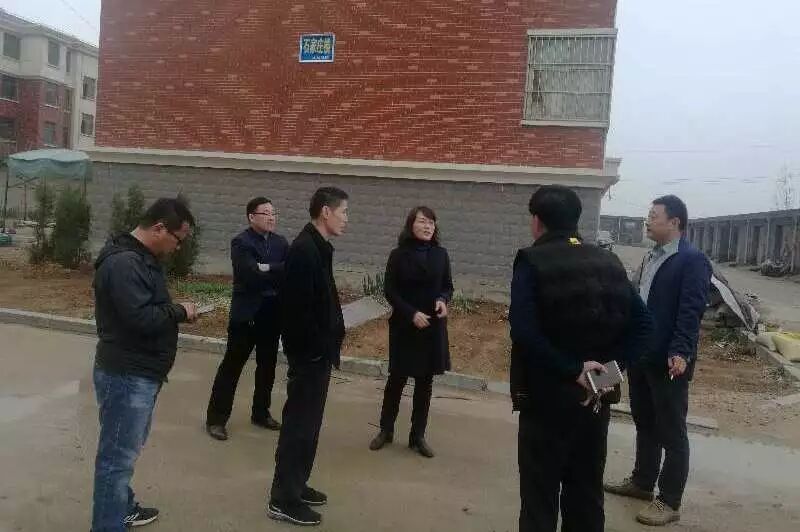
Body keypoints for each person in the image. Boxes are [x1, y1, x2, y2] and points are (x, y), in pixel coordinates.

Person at [510, 185, 654, 532]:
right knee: (586, 495)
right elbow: (644, 326)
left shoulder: (532, 261)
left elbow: (524, 331)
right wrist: (604, 376)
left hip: (546, 401)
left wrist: (573, 370)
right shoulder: (609, 261)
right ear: (576, 219)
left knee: (539, 498)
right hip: (595, 401)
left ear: (537, 221)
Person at [91, 198, 198, 532]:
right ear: (159, 229)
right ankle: (107, 525)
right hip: (127, 375)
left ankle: (121, 507)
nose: (178, 247)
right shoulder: (125, 263)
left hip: (138, 373)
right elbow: (139, 318)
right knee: (116, 460)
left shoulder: (140, 258)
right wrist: (179, 312)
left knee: (122, 451)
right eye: (178, 239)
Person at [604, 195, 711, 526]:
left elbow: (691, 310)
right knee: (645, 422)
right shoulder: (652, 256)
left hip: (669, 360)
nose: (647, 221)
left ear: (674, 222)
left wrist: (680, 351)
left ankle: (669, 500)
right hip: (642, 355)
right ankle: (642, 482)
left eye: (654, 216)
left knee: (671, 431)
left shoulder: (692, 260)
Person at [267, 187, 348, 527]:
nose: (346, 219)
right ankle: (283, 499)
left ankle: (297, 485)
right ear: (325, 212)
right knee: (298, 428)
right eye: (343, 212)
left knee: (309, 427)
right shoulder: (304, 250)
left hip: (318, 355)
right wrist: (315, 350)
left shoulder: (318, 247)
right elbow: (296, 313)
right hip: (309, 357)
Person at [369, 206, 454, 458]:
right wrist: (411, 313)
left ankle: (417, 436)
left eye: (431, 223)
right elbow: (390, 290)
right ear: (411, 225)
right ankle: (385, 430)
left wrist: (442, 300)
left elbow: (448, 286)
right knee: (397, 380)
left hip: (431, 327)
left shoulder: (441, 254)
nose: (428, 226)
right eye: (423, 222)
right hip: (405, 327)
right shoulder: (398, 255)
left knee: (425, 384)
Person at [205, 197, 289, 440]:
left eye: (273, 213)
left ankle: (261, 412)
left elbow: (288, 271)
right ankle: (216, 419)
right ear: (252, 217)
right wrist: (272, 270)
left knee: (267, 367)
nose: (271, 217)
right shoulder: (241, 242)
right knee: (232, 367)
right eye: (266, 213)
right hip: (247, 315)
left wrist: (266, 267)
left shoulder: (281, 242)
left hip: (272, 314)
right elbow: (250, 275)